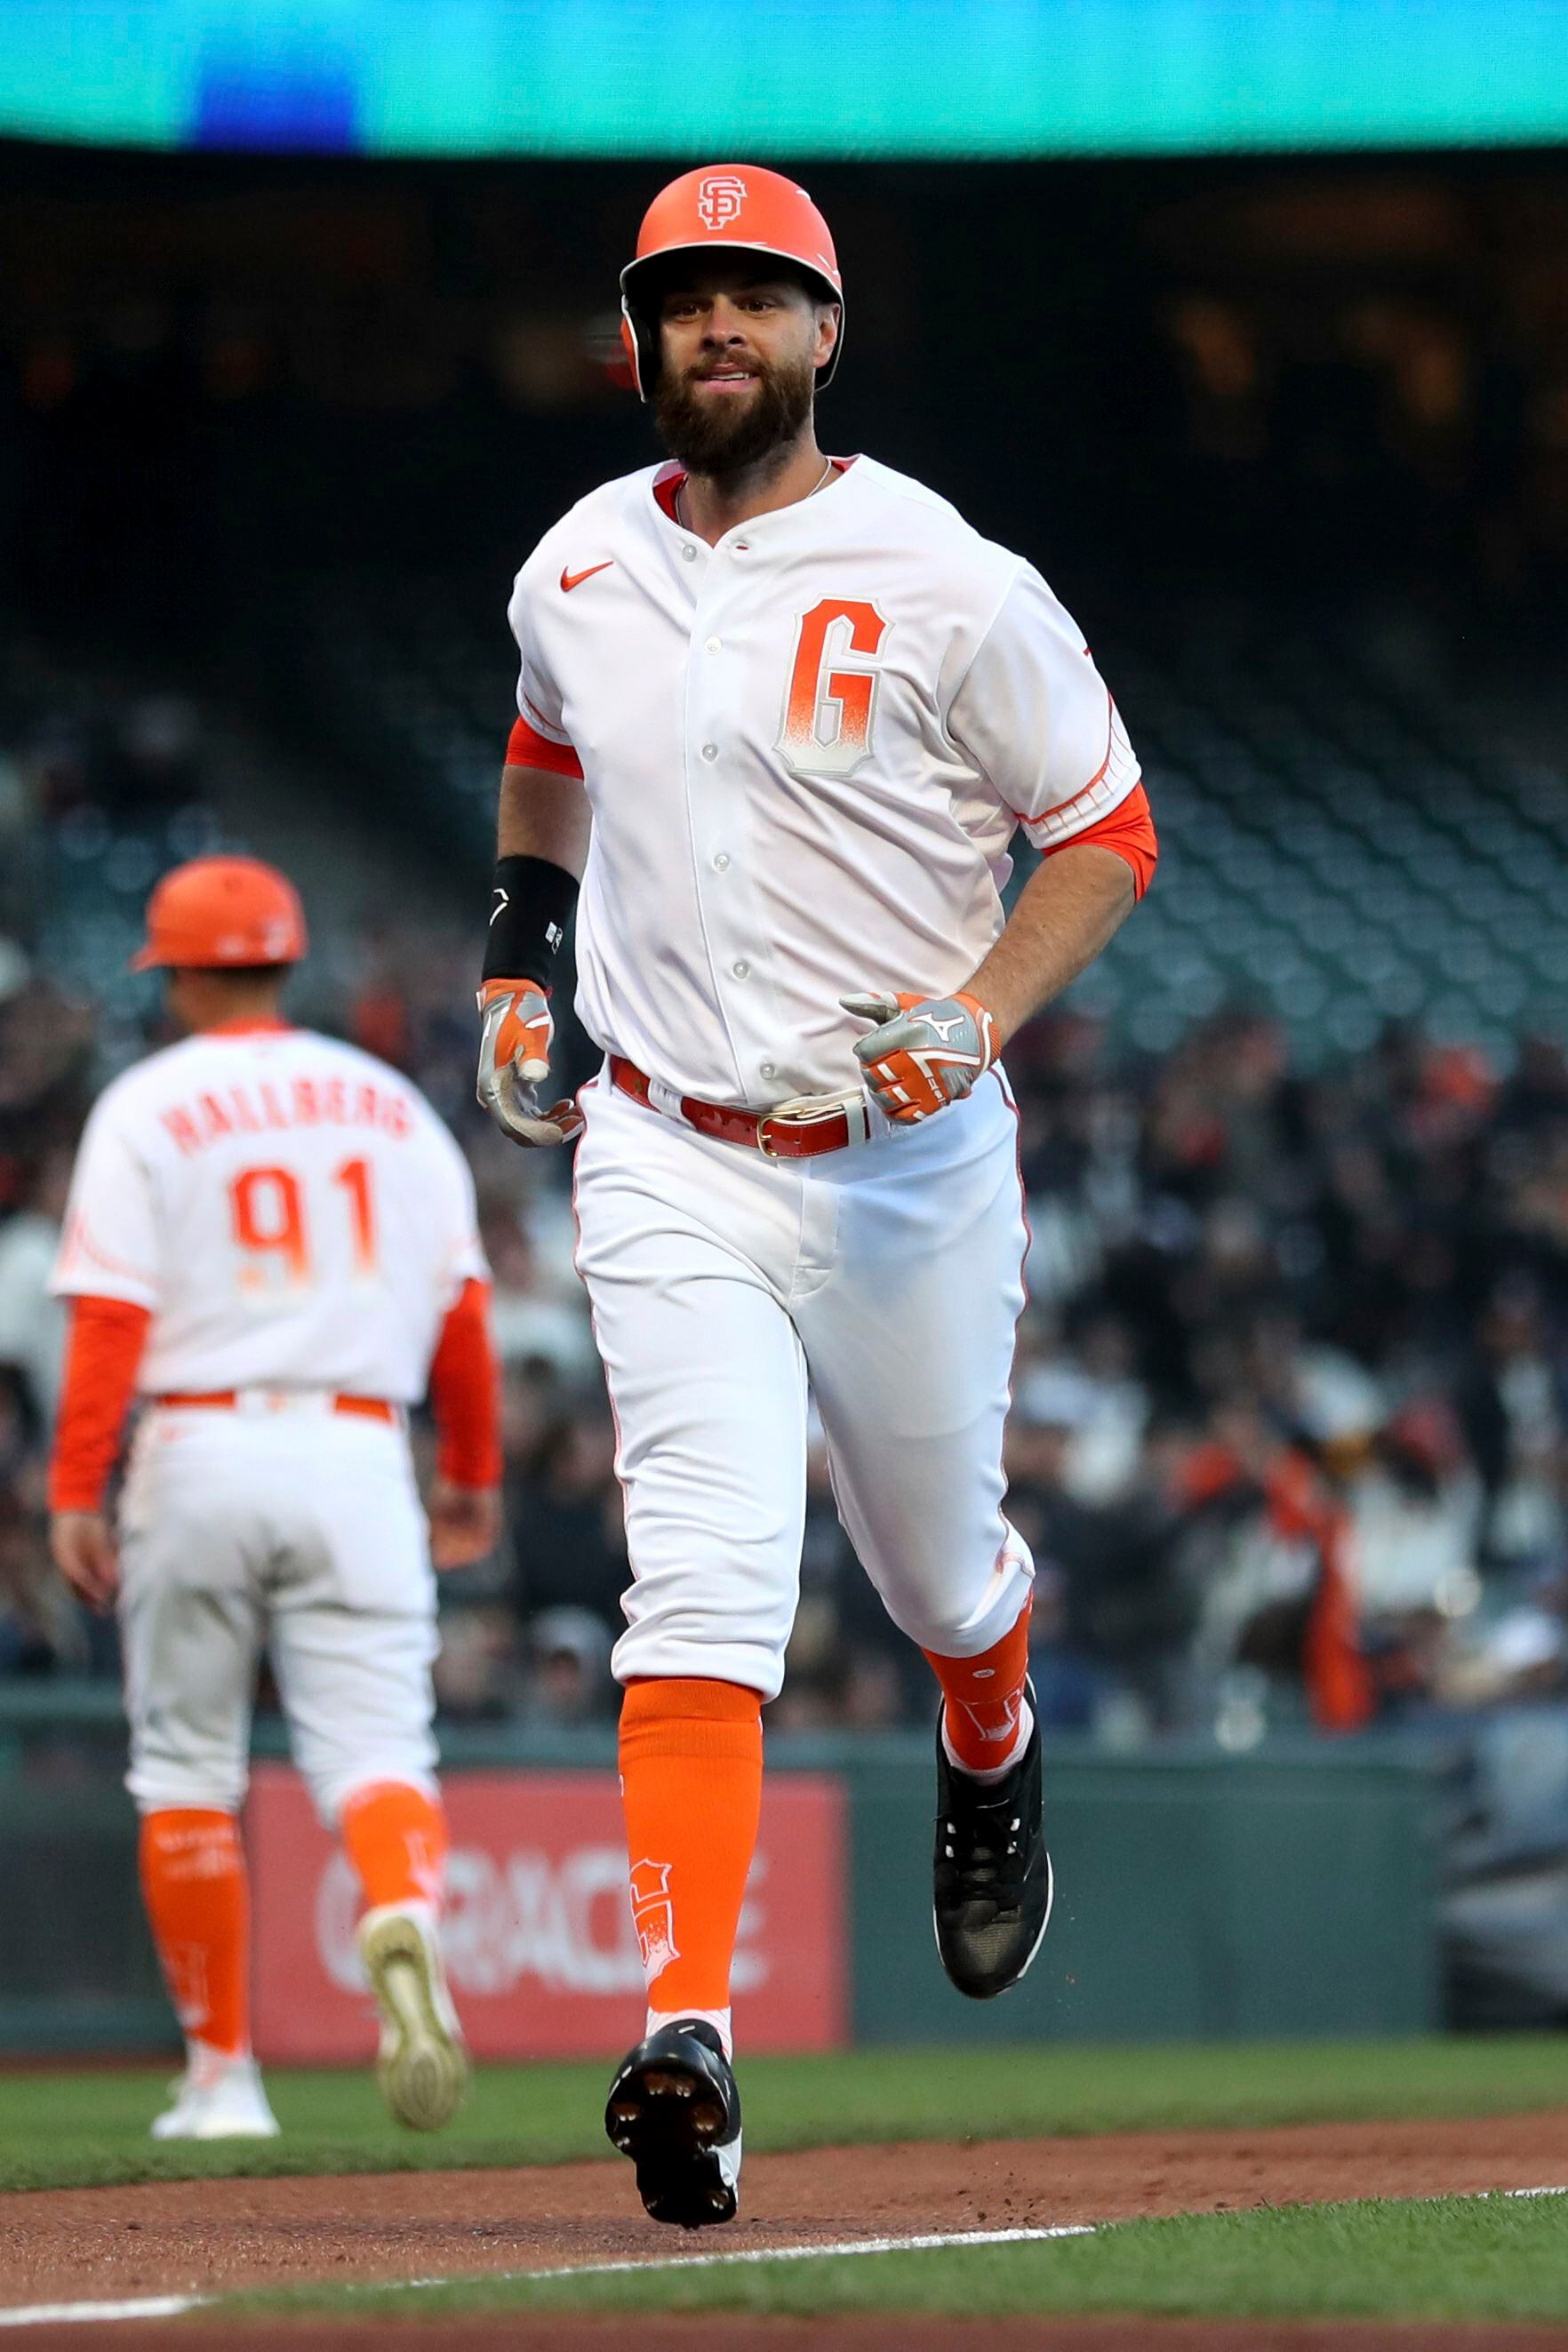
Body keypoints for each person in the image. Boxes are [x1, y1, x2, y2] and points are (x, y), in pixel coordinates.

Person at [475, 164, 1156, 2227]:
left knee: (945, 1572)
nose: (717, 332)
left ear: (827, 333)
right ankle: (688, 2035)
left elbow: (1109, 831)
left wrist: (981, 1013)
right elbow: (544, 741)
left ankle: (989, 1721)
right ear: (638, 332)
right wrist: (521, 951)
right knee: (699, 1579)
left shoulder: (948, 574)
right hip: (665, 1144)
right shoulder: (581, 560)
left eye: (757, 299)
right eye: (682, 301)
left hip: (906, 1174)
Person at [48, 857, 501, 2140]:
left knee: (187, 1764)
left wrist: (75, 1485)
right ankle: (399, 1910)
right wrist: (470, 1474)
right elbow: (462, 1319)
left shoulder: (147, 1103)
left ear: (182, 972)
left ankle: (221, 2078)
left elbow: (111, 1322)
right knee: (379, 1755)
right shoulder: (391, 1106)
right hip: (359, 1450)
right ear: (284, 961)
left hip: (199, 1446)